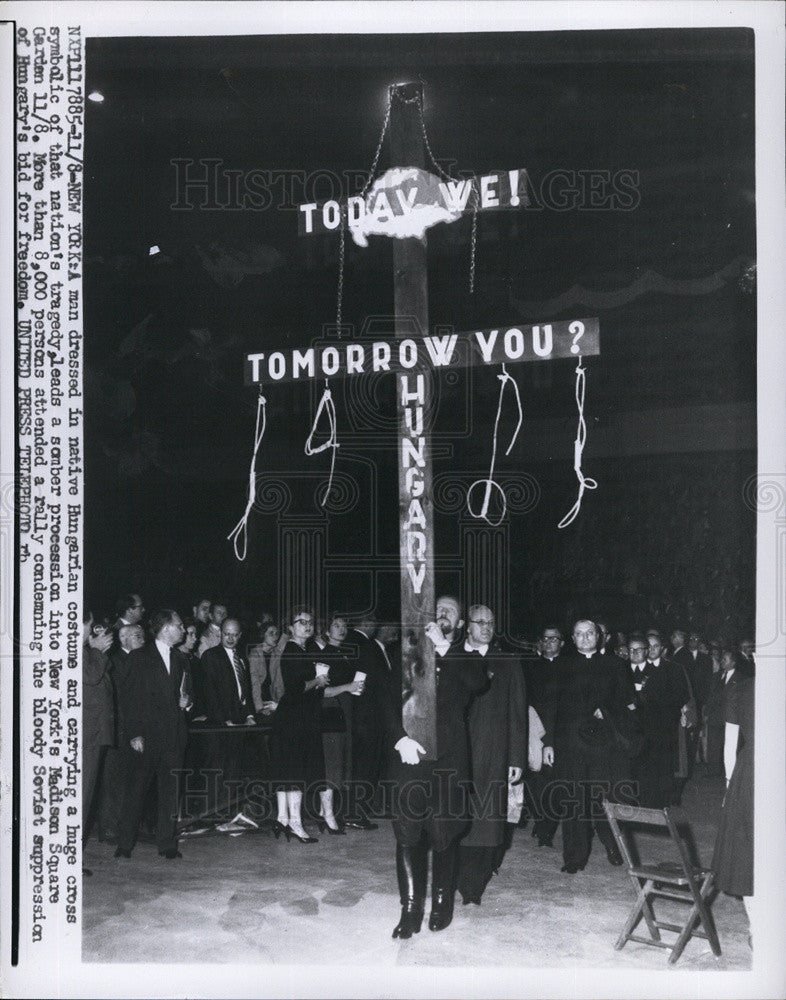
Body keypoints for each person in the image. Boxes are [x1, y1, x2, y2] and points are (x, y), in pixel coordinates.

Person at [389, 595, 489, 937]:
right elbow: (381, 700)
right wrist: (398, 738)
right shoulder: (404, 653)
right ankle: (410, 909)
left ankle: (441, 904)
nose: (442, 612)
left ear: (459, 624)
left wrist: (444, 647)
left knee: (444, 834)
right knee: (407, 834)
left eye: (450, 611)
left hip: (449, 760)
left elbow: (478, 684)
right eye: (438, 608)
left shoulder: (465, 658)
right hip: (410, 757)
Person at [540, 619, 635, 874]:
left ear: (599, 636)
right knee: (573, 801)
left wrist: (607, 711)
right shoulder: (561, 665)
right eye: (579, 634)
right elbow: (550, 707)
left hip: (603, 745)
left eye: (589, 633)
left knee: (603, 799)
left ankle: (613, 845)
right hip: (570, 744)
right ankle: (574, 857)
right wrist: (547, 743)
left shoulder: (615, 665)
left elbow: (628, 702)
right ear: (572, 638)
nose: (584, 638)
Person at [456, 605, 527, 905]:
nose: (486, 627)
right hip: (458, 750)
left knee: (489, 821)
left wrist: (517, 759)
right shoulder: (453, 657)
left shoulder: (508, 661)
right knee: (457, 815)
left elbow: (518, 713)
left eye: (491, 622)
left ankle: (475, 884)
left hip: (495, 751)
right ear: (467, 626)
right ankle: (458, 877)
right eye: (479, 622)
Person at [115, 609, 192, 859]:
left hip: (175, 735)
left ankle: (167, 843)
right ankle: (125, 843)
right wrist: (135, 733)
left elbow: (188, 694)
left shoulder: (182, 659)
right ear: (166, 628)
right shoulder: (139, 657)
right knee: (137, 789)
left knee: (171, 791)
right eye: (179, 625)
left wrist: (188, 703)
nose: (183, 630)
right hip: (146, 736)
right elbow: (129, 698)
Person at [269, 607, 331, 842]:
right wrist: (318, 680)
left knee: (291, 769)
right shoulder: (291, 650)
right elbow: (295, 687)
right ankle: (295, 823)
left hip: (304, 717)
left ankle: (283, 820)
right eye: (301, 622)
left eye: (310, 622)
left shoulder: (308, 648)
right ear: (291, 627)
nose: (307, 625)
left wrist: (319, 681)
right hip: (293, 718)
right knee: (294, 770)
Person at [712, 649, 754, 942]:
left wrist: (730, 781)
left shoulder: (743, 687)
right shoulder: (743, 689)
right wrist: (729, 783)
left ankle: (759, 929)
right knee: (748, 853)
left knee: (749, 853)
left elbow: (730, 745)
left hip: (748, 771)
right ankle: (758, 928)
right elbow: (729, 742)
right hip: (751, 774)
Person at [313, 612, 364, 831]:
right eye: (335, 625)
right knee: (332, 763)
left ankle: (327, 812)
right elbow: (321, 691)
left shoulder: (346, 654)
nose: (341, 629)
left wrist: (357, 687)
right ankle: (329, 815)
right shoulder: (324, 656)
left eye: (344, 625)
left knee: (342, 762)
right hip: (331, 711)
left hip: (347, 710)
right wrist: (347, 687)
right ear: (326, 631)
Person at [628, 633, 689, 807]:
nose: (652, 650)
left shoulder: (669, 670)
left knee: (660, 774)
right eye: (649, 646)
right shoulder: (629, 669)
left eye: (655, 646)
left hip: (661, 731)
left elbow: (679, 697)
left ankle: (659, 808)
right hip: (636, 733)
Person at [526, 626, 565, 847]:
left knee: (555, 782)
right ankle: (541, 820)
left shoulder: (569, 667)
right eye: (546, 638)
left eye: (554, 638)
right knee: (534, 780)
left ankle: (545, 830)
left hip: (560, 733)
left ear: (562, 643)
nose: (550, 642)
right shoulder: (531, 666)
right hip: (534, 730)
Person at [82, 610, 115, 874]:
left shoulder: (86, 649)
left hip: (94, 734)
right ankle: (70, 858)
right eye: (89, 626)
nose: (91, 631)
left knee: (87, 796)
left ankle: (74, 855)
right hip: (86, 736)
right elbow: (91, 677)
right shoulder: (79, 651)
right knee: (81, 798)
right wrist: (96, 650)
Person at [247, 621, 281, 716]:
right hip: (257, 699)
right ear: (263, 635)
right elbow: (255, 683)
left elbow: (278, 681)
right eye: (271, 633)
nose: (275, 637)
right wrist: (259, 708)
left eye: (277, 633)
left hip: (272, 698)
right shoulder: (254, 654)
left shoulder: (277, 653)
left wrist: (280, 704)